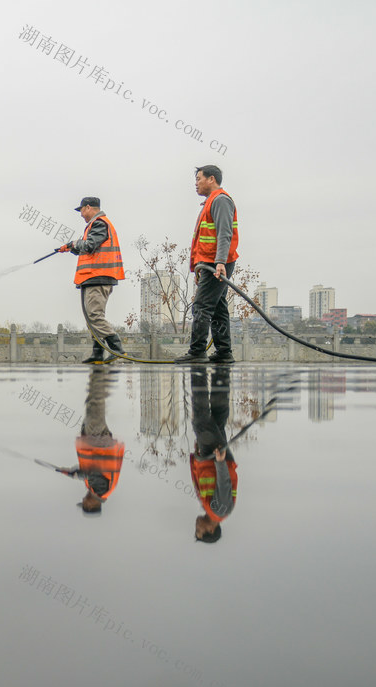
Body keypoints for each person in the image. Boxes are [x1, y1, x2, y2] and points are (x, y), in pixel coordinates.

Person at [175, 165, 240, 363]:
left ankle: (197, 351)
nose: (196, 183)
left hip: (217, 264)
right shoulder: (210, 203)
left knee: (201, 305)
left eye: (198, 179)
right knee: (218, 307)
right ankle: (223, 352)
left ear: (211, 179)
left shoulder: (220, 200)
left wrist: (219, 262)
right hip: (210, 264)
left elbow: (224, 234)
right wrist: (199, 266)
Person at [57, 197, 125, 364]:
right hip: (92, 277)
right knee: (91, 316)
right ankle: (98, 352)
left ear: (88, 207)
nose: (81, 214)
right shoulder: (94, 225)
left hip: (99, 276)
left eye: (81, 210)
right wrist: (72, 248)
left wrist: (74, 243)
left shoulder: (99, 223)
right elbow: (89, 249)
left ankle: (116, 348)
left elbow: (89, 245)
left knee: (94, 315)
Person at [189, 365, 238, 542]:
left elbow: (203, 479)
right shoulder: (220, 510)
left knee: (217, 417)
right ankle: (198, 369)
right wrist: (220, 462)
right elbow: (224, 485)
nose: (196, 527)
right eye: (198, 531)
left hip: (209, 456)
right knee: (200, 420)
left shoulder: (213, 510)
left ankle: (221, 370)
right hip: (215, 458)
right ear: (210, 530)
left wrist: (197, 455)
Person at [76, 367, 125, 515]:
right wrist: (78, 474)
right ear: (91, 505)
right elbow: (94, 473)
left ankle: (102, 375)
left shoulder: (97, 491)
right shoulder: (101, 491)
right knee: (96, 404)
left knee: (92, 404)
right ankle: (107, 374)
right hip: (97, 443)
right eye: (84, 503)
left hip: (96, 442)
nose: (83, 499)